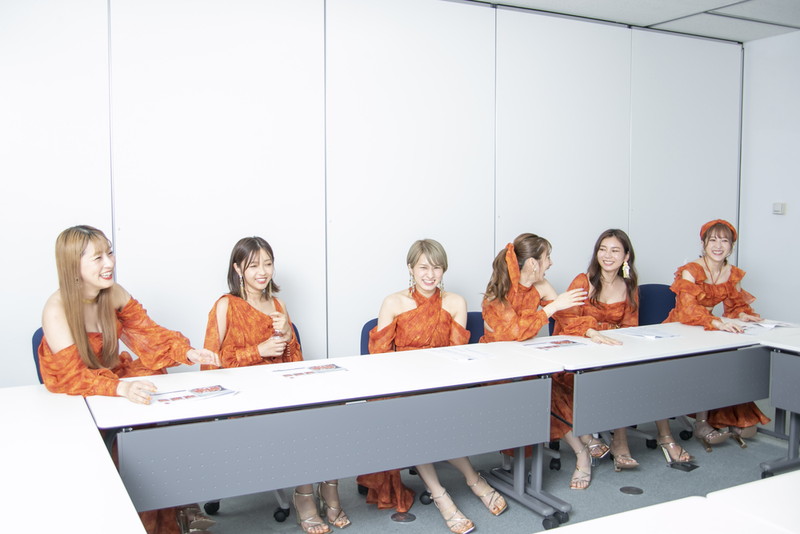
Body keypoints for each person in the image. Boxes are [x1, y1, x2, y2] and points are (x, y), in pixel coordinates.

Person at [38, 225, 221, 534]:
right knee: (139, 438)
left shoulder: (113, 293)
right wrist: (121, 387)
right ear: (73, 266)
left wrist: (188, 353)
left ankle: (177, 506)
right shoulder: (56, 309)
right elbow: (73, 376)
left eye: (109, 253)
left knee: (160, 404)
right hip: (79, 395)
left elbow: (150, 333)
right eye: (98, 258)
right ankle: (161, 513)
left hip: (112, 382)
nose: (109, 263)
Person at [359, 239, 507, 534]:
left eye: (437, 268)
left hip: (442, 383)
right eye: (423, 267)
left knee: (430, 416)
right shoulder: (393, 302)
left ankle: (468, 481)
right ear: (410, 268)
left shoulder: (455, 302)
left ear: (444, 270)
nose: (430, 275)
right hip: (401, 386)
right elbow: (380, 358)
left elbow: (457, 356)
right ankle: (446, 492)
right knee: (414, 419)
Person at [203, 236, 348, 534]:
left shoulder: (278, 304)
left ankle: (329, 488)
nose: (262, 271)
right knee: (301, 422)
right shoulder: (225, 306)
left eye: (267, 264)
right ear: (237, 269)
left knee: (332, 408)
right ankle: (305, 498)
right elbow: (208, 365)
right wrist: (257, 351)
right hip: (242, 400)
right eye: (253, 265)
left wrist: (289, 336)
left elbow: (295, 362)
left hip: (280, 390)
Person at [481, 233, 604, 490]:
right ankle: (582, 447)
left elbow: (567, 320)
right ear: (533, 263)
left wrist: (592, 332)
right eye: (547, 257)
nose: (551, 263)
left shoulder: (543, 286)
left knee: (551, 385)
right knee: (540, 390)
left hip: (528, 360)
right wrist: (551, 307)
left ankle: (582, 450)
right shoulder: (497, 292)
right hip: (498, 366)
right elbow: (512, 332)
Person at [665, 219, 770, 449]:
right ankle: (701, 423)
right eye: (712, 240)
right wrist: (716, 322)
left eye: (724, 241)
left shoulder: (731, 273)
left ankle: (726, 415)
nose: (718, 246)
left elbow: (736, 304)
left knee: (730, 356)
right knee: (707, 361)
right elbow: (688, 309)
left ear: (731, 246)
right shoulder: (691, 270)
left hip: (709, 327)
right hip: (682, 327)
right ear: (703, 244)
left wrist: (742, 314)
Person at [552, 229, 641, 471]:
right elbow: (568, 320)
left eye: (615, 250)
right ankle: (588, 438)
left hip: (611, 349)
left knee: (623, 375)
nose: (607, 256)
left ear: (626, 256)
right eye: (603, 249)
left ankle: (620, 441)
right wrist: (594, 333)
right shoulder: (583, 281)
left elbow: (630, 327)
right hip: (579, 349)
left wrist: (612, 340)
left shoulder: (629, 285)